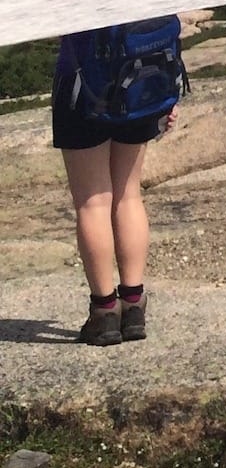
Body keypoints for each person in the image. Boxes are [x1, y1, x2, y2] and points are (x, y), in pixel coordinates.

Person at [52, 24, 180, 346]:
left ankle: (105, 311)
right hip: (144, 80)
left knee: (92, 201)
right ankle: (134, 305)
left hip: (84, 81)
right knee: (128, 194)